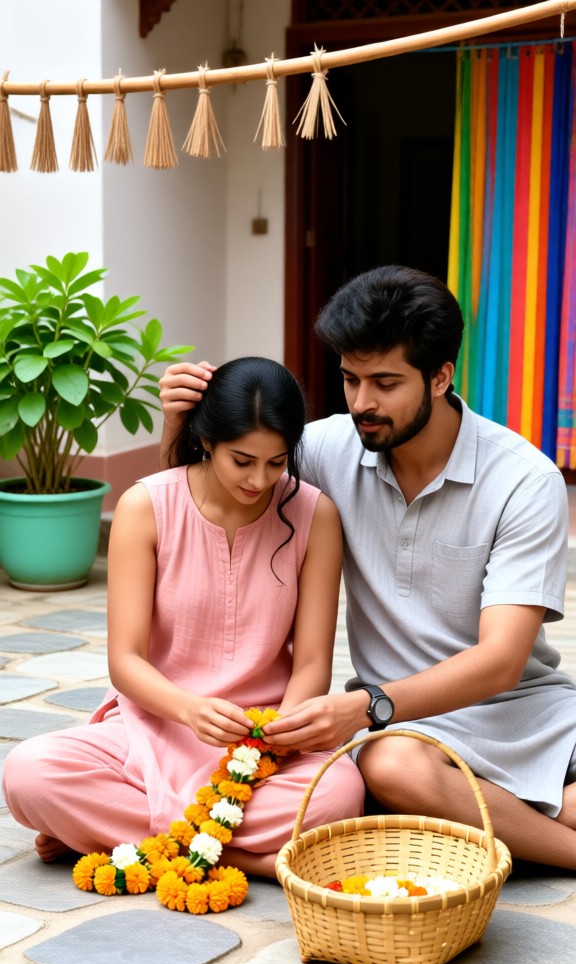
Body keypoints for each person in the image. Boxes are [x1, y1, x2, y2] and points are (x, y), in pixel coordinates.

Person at [158, 265, 576, 871]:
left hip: (527, 717)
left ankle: (514, 816)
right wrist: (181, 421)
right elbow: (215, 484)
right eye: (350, 379)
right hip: (410, 735)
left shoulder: (524, 480)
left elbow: (502, 661)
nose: (361, 403)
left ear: (440, 377)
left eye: (384, 382)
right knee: (389, 767)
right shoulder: (328, 449)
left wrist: (366, 706)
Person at [2, 356, 365, 876]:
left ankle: (124, 841)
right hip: (156, 724)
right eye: (242, 460)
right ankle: (251, 858)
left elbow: (311, 663)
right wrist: (191, 711)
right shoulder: (145, 505)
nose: (259, 480)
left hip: (260, 737)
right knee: (29, 773)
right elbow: (126, 662)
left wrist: (273, 738)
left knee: (339, 793)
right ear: (207, 439)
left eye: (276, 462)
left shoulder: (315, 515)